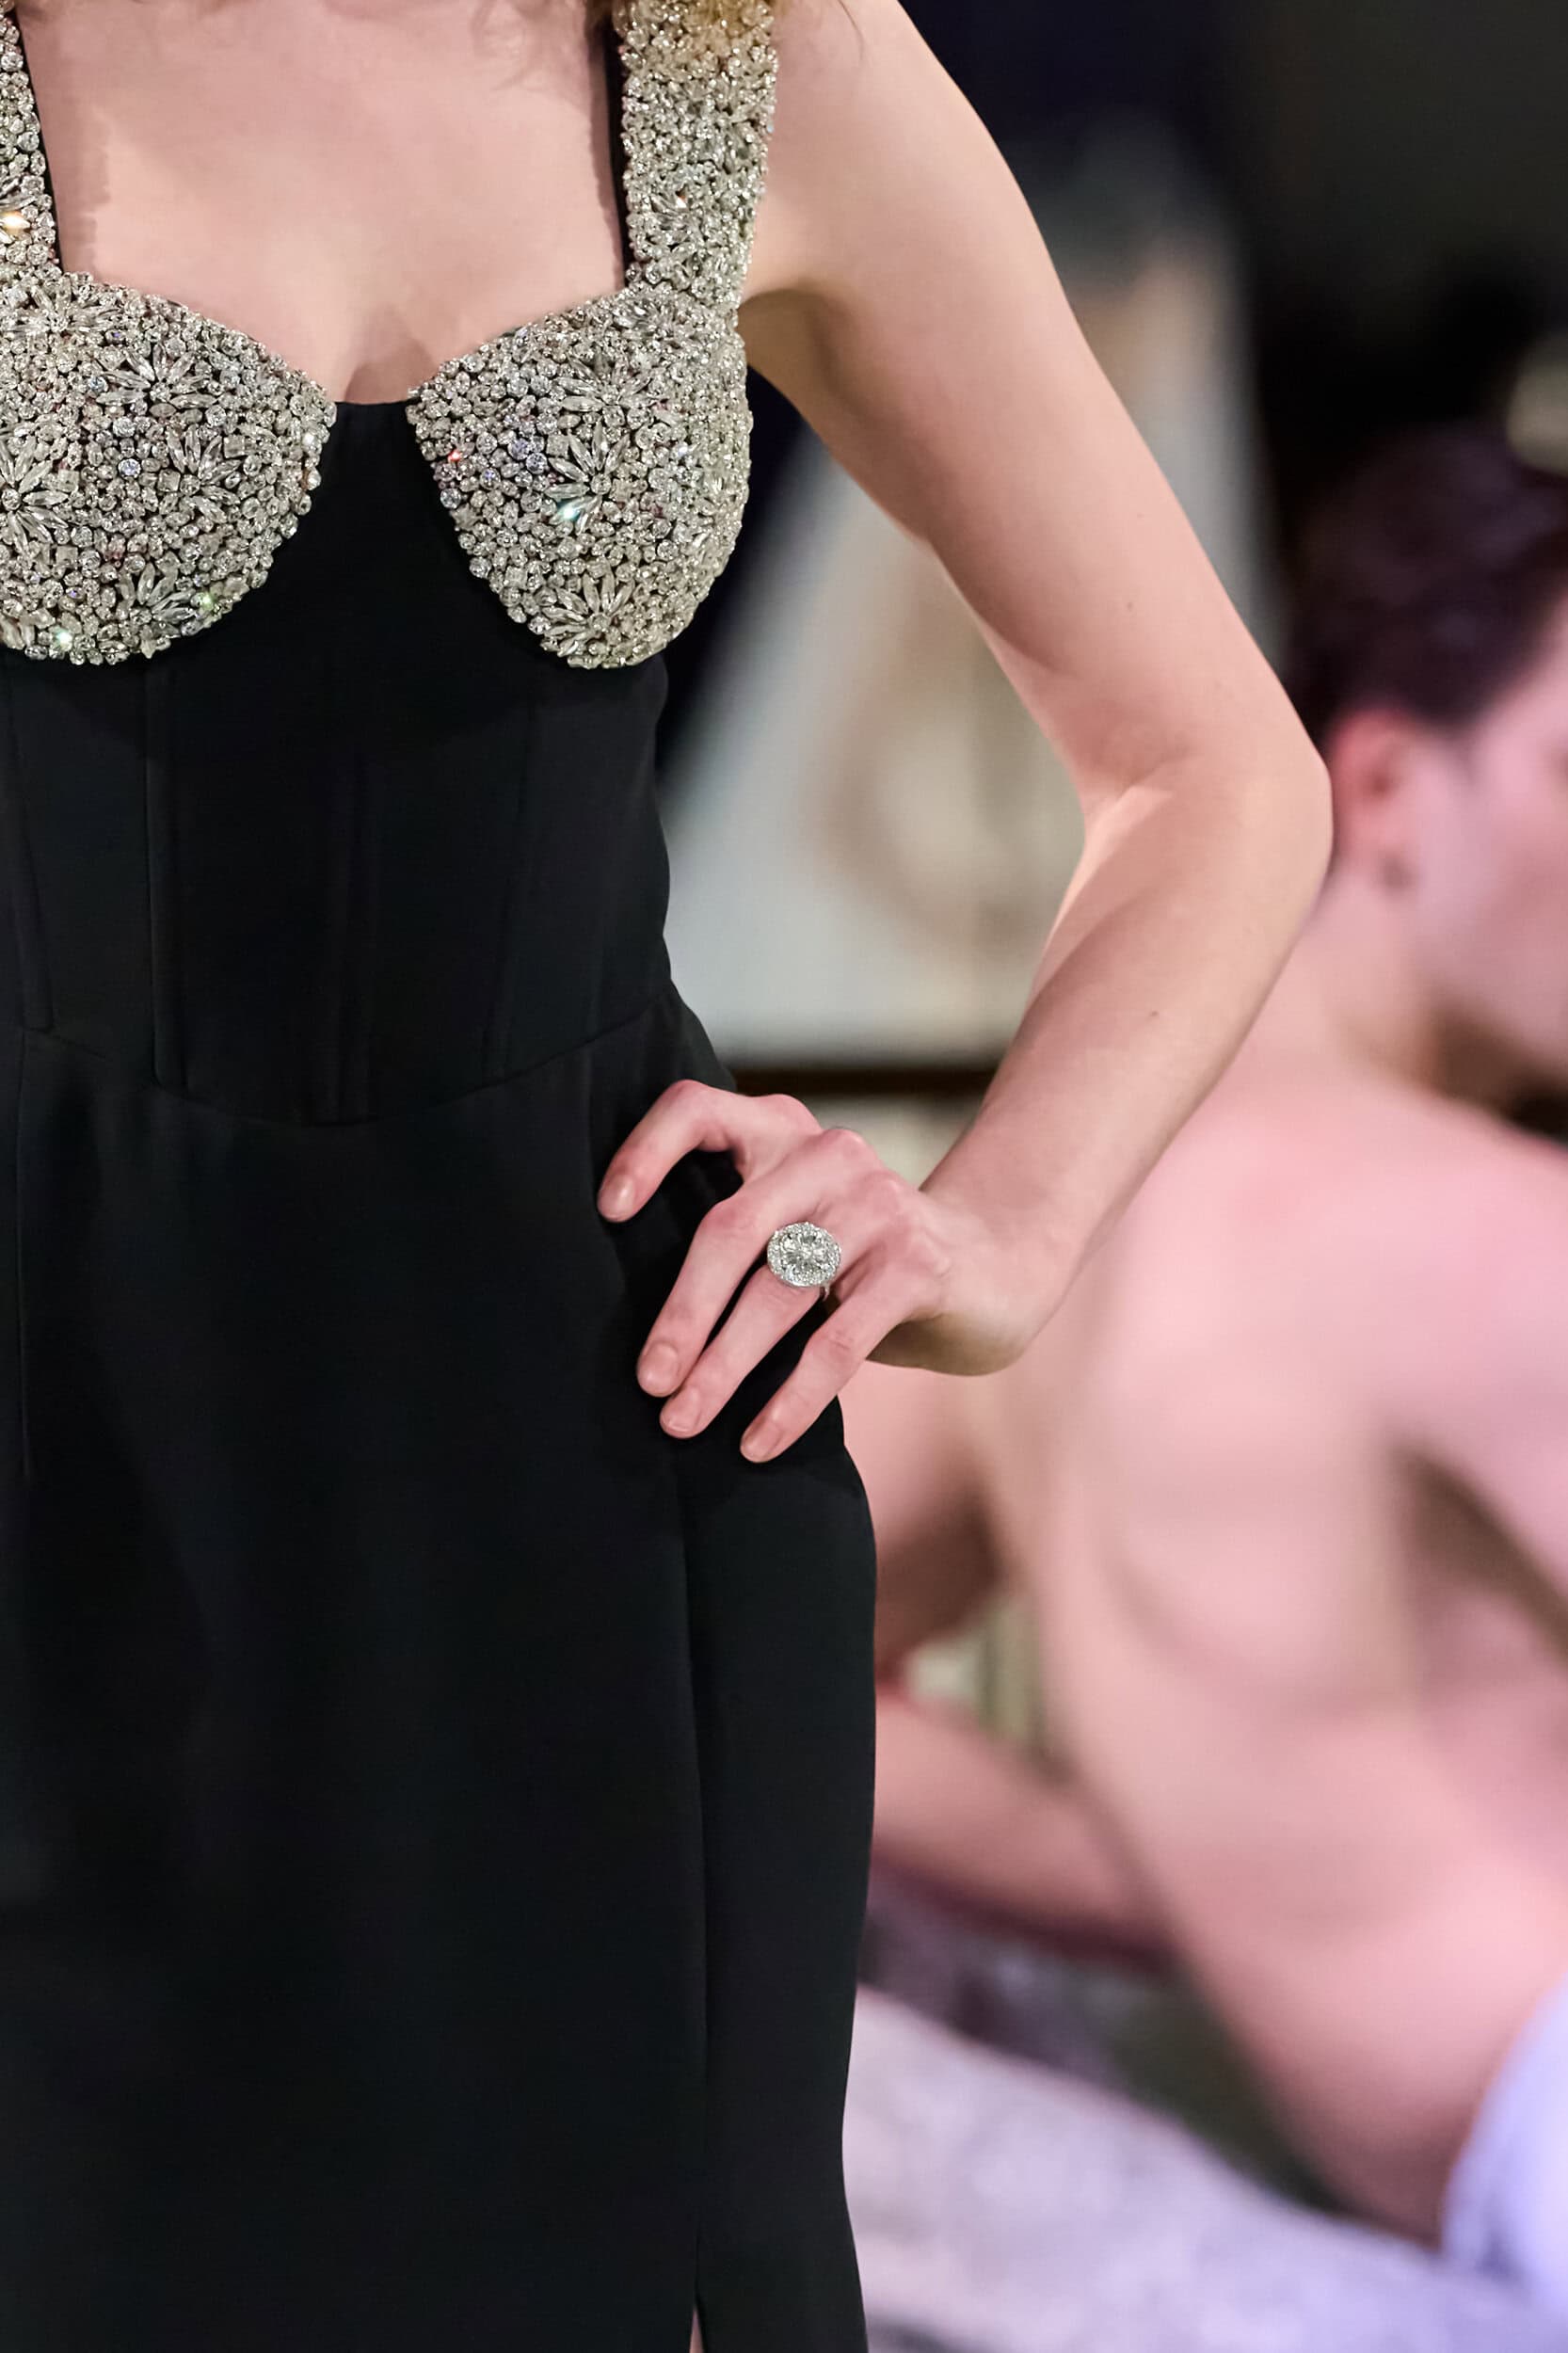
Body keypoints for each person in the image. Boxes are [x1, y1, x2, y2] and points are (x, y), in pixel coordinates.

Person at [0, 0, 1329, 2345]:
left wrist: (996, 1223)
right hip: (61, 1453)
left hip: (617, 1459)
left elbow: (1212, 768)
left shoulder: (757, 49)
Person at [846, 421, 1568, 2324]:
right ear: (1385, 785)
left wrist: (1188, 1870)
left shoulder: (1049, 1245)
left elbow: (751, 1638)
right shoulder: (1479, 1230)